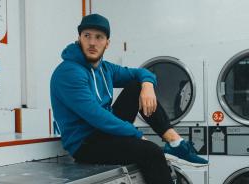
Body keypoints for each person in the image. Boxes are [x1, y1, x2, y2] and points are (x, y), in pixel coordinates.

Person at [50, 13, 208, 184]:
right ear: (79, 38)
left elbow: (142, 73)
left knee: (137, 85)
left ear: (107, 43)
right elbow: (95, 116)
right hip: (86, 144)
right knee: (152, 152)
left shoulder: (105, 68)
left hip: (104, 133)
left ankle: (176, 142)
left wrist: (147, 85)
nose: (92, 42)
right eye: (87, 36)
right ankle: (172, 146)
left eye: (99, 37)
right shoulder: (69, 72)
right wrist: (135, 135)